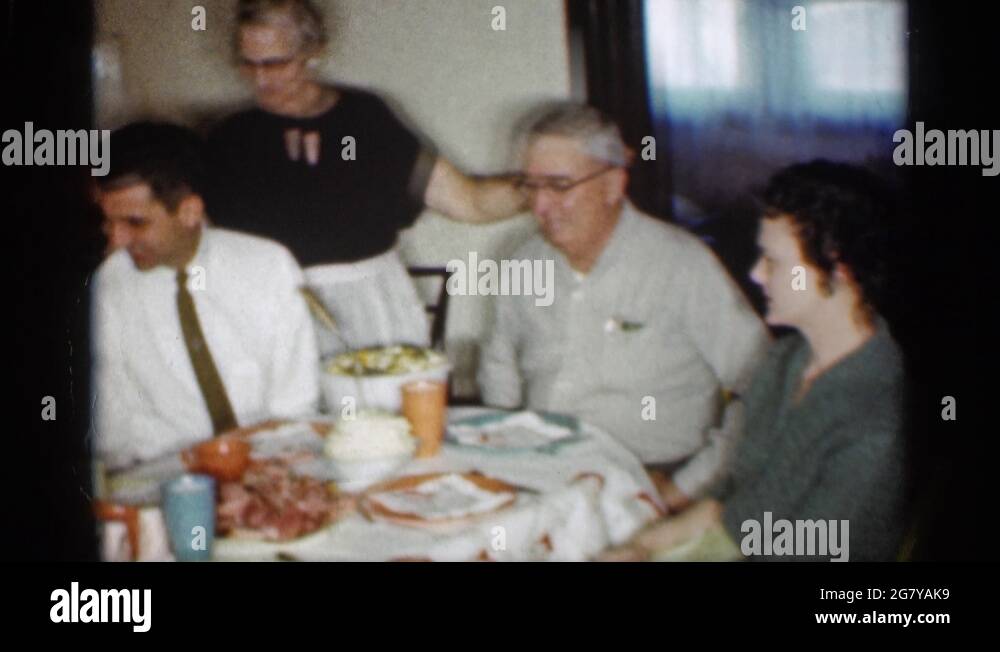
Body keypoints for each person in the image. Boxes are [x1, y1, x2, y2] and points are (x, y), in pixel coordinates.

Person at [600, 160, 908, 562]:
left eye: (774, 261)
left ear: (839, 268)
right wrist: (641, 547)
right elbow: (732, 503)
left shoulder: (875, 423)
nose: (757, 274)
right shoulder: (784, 361)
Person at [477, 104, 770, 507]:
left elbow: (766, 384)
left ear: (613, 184)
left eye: (559, 185)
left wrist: (687, 486)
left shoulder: (682, 265)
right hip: (543, 475)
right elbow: (500, 367)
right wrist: (502, 460)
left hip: (652, 476)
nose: (541, 206)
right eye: (530, 185)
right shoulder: (521, 263)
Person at [205, 0, 527, 353]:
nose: (261, 80)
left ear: (314, 52)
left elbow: (470, 202)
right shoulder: (229, 139)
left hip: (372, 310)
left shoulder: (365, 121)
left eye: (276, 63)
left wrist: (553, 187)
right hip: (273, 316)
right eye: (247, 65)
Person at [91, 122, 320, 470]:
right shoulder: (109, 288)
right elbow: (114, 425)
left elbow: (295, 404)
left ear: (189, 212)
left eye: (135, 223)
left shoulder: (268, 265)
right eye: (108, 222)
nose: (117, 241)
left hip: (275, 461)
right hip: (167, 473)